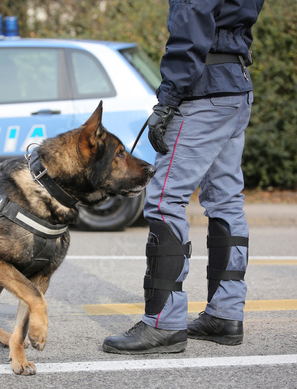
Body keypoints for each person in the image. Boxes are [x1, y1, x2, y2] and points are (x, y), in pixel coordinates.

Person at [103, 0, 265, 354]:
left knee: (164, 201)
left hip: (203, 92)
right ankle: (225, 314)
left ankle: (163, 323)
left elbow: (192, 22)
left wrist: (168, 99)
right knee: (226, 200)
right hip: (235, 87)